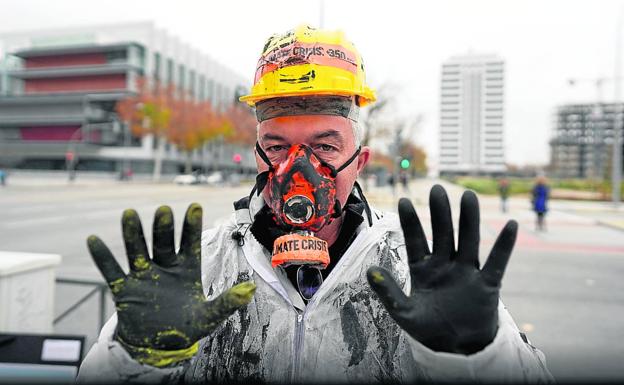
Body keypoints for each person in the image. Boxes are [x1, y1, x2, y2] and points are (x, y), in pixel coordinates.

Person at [77, 25, 553, 383]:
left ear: (359, 160)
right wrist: (132, 358)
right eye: (278, 146)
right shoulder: (200, 267)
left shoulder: (414, 269)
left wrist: (478, 355)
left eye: (325, 147)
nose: (298, 170)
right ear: (258, 154)